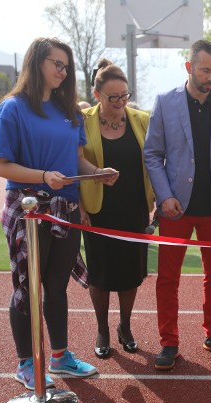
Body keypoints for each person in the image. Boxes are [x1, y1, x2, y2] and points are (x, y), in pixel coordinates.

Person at [0, 37, 118, 390]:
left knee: (57, 287)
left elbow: (75, 160)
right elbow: (1, 166)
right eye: (56, 63)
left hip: (66, 209)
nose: (63, 71)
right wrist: (43, 177)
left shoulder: (70, 112)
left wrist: (96, 172)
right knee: (27, 289)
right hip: (28, 212)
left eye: (66, 66)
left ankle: (59, 357)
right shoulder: (12, 108)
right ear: (36, 63)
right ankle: (26, 364)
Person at [144, 39, 211, 370]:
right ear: (189, 67)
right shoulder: (164, 103)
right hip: (175, 207)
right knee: (167, 277)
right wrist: (164, 196)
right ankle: (168, 342)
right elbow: (152, 154)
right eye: (205, 70)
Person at [79, 59, 155, 359]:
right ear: (96, 95)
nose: (121, 102)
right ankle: (102, 329)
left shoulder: (141, 119)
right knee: (100, 273)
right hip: (98, 208)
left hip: (134, 207)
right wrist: (95, 172)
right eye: (114, 97)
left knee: (130, 272)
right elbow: (73, 159)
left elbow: (154, 160)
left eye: (125, 95)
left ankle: (125, 325)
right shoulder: (82, 120)